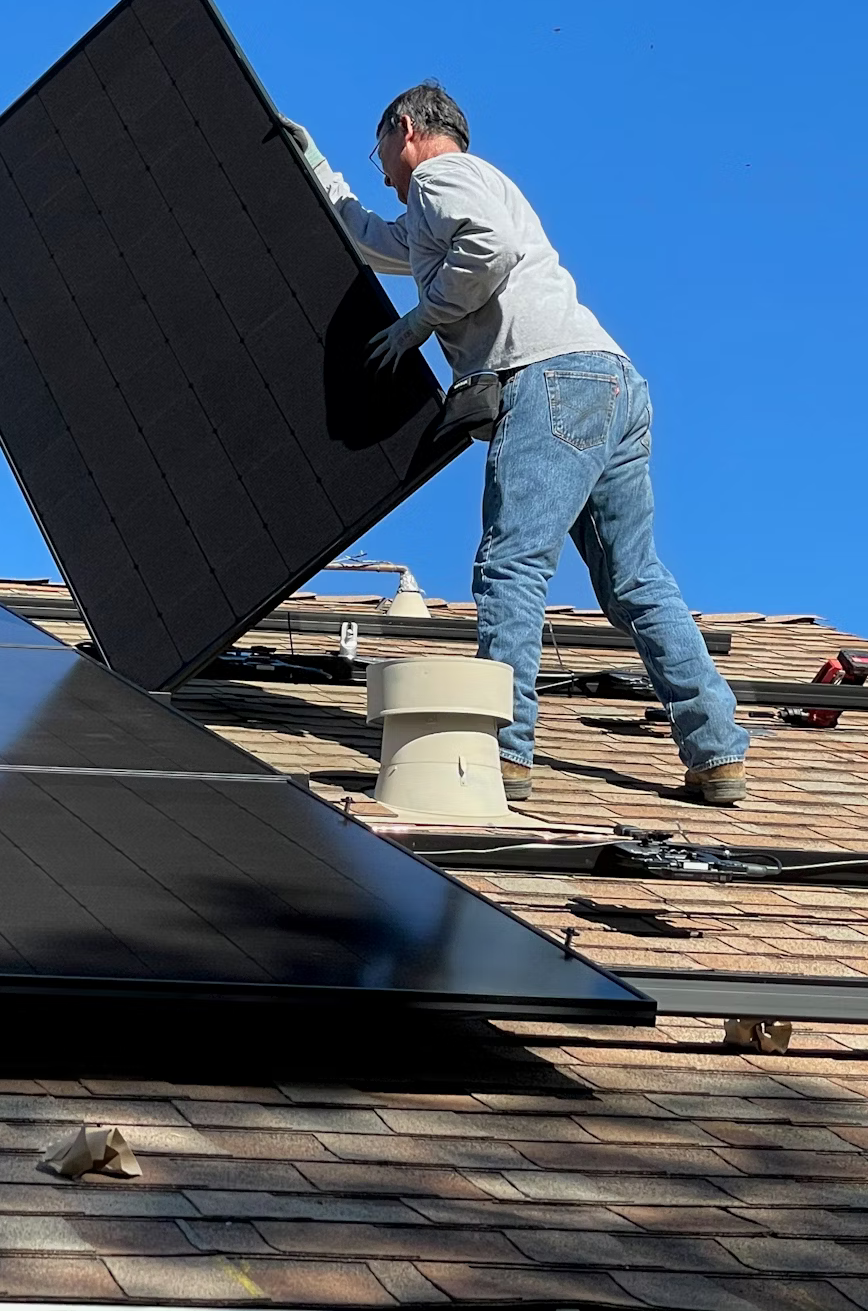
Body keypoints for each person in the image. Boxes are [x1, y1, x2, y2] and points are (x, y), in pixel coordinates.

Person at [282, 85, 749, 805]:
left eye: (377, 149)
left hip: (549, 378)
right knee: (635, 581)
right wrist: (313, 165)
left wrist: (420, 323)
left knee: (511, 564)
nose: (377, 168)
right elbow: (374, 240)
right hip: (612, 381)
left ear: (405, 129)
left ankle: (504, 753)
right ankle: (716, 749)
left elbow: (489, 250)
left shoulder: (443, 177)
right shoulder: (455, 197)